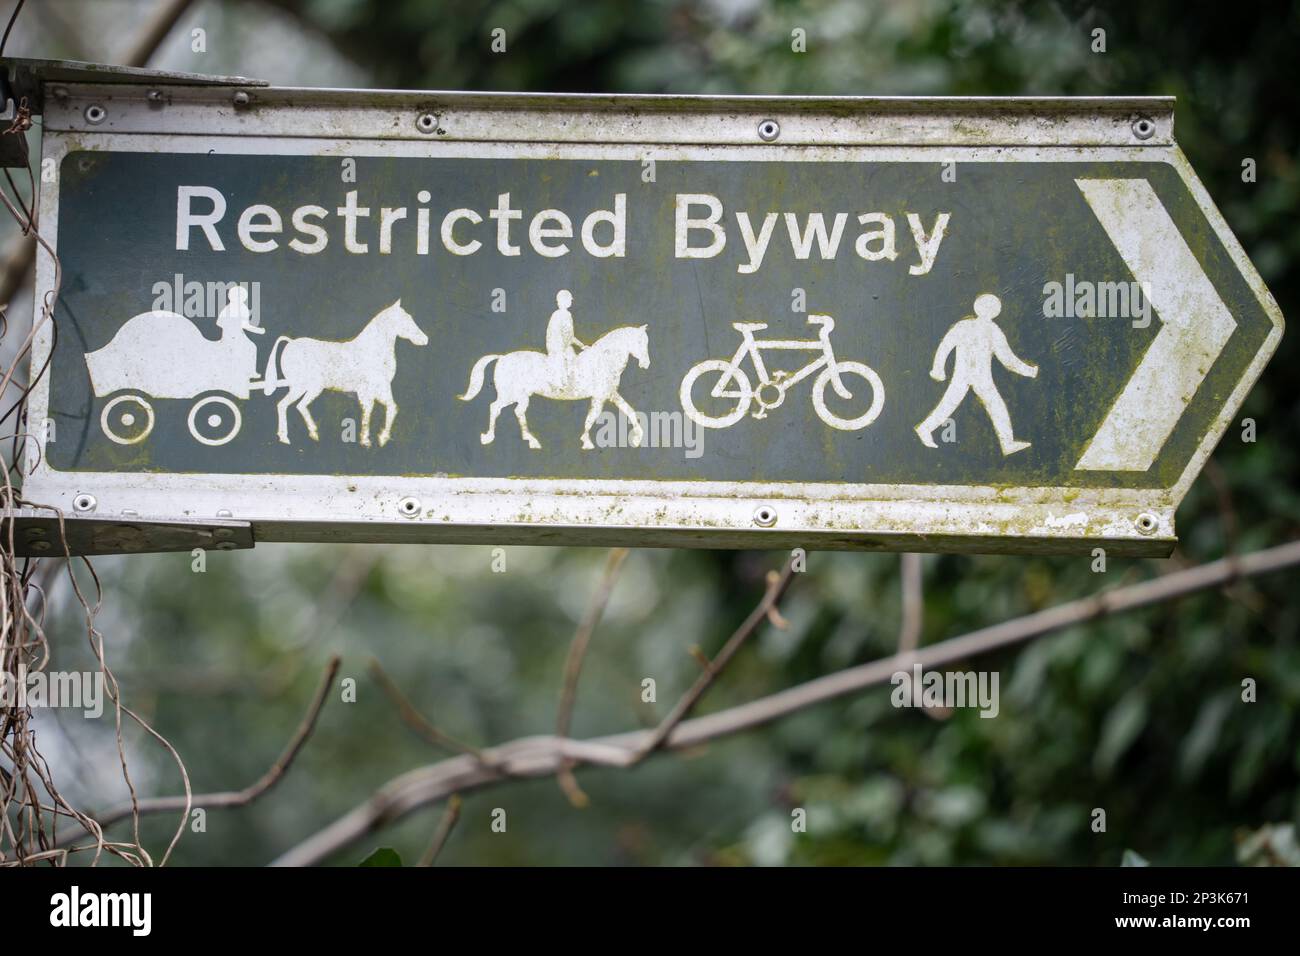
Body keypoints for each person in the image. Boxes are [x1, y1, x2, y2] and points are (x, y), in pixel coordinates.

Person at [915, 293, 1037, 456]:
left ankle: (1007, 443)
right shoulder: (984, 329)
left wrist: (938, 368)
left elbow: (1007, 358)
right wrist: (1029, 371)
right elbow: (1007, 359)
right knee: (984, 405)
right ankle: (1007, 443)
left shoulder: (975, 327)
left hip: (977, 377)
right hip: (972, 376)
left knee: (982, 405)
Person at [215, 286, 264, 398]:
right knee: (251, 347)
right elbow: (245, 325)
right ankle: (251, 371)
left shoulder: (227, 308)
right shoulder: (242, 308)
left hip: (227, 335)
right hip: (236, 335)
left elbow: (219, 323)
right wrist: (259, 330)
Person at [545, 289, 587, 392]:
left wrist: (582, 346)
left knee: (574, 360)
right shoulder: (559, 315)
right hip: (556, 346)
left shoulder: (567, 315)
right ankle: (558, 385)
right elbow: (554, 334)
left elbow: (570, 336)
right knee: (562, 360)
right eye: (569, 300)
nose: (571, 302)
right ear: (563, 301)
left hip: (564, 345)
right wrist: (561, 349)